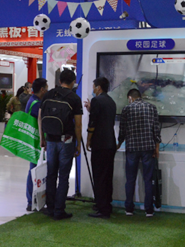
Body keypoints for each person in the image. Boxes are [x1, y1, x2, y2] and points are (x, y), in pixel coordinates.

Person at [38, 69, 83, 220]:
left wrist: (42, 137)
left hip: (50, 139)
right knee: (63, 176)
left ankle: (50, 208)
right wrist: (78, 144)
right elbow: (78, 124)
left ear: (59, 81)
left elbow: (40, 117)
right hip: (67, 140)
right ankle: (59, 210)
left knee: (51, 174)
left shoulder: (48, 94)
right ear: (73, 82)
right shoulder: (74, 98)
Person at [117, 88, 161, 217]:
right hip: (148, 148)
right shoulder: (152, 108)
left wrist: (119, 143)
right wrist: (157, 147)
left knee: (130, 179)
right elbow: (156, 130)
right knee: (148, 179)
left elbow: (122, 130)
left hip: (132, 148)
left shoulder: (127, 109)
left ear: (130, 98)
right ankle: (149, 210)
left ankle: (129, 209)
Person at [84, 77, 117, 219]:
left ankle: (102, 208)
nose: (93, 89)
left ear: (98, 87)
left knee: (99, 176)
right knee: (107, 175)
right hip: (110, 143)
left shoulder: (97, 101)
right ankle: (106, 204)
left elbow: (93, 123)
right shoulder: (111, 101)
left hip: (100, 143)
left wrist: (88, 139)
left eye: (93, 86)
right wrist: (91, 109)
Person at [24, 78, 48, 212]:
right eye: (47, 88)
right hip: (37, 141)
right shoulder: (36, 104)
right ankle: (31, 201)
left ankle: (32, 200)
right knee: (35, 170)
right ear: (42, 89)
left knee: (34, 169)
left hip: (33, 139)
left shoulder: (32, 100)